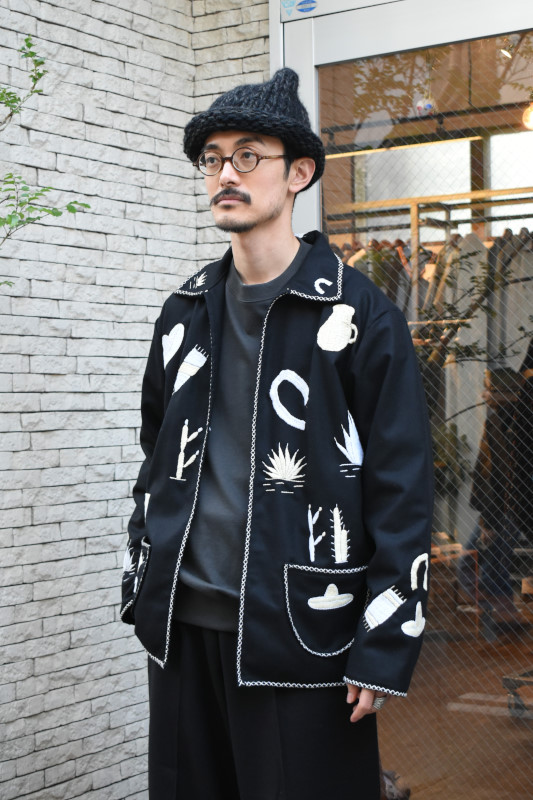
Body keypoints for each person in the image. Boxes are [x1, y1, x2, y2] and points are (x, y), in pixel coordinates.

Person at [120, 67, 434, 800]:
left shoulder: (357, 316)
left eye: (247, 156)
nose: (225, 175)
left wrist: (385, 641)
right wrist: (144, 571)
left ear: (298, 173)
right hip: (182, 627)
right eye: (213, 159)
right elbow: (156, 455)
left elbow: (401, 489)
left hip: (303, 631)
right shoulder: (184, 313)